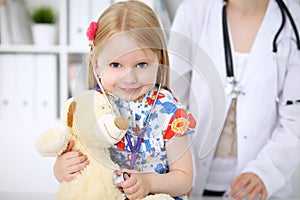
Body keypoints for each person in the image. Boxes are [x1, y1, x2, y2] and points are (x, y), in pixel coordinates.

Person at [53, 1, 196, 199]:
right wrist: (61, 170)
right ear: (95, 63)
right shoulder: (87, 108)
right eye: (116, 64)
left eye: (142, 64)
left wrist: (150, 182)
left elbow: (184, 179)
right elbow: (74, 158)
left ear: (159, 62)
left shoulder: (170, 113)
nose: (129, 78)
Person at [169, 0, 300, 199]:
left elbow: (295, 119)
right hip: (191, 173)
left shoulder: (294, 22)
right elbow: (170, 103)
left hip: (263, 187)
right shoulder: (193, 13)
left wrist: (265, 172)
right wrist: (181, 168)